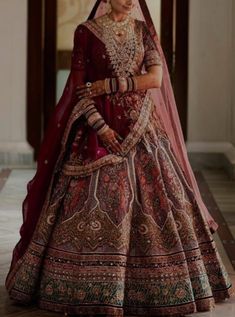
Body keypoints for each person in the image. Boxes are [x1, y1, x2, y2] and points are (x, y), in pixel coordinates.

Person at [5, 0, 233, 316]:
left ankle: (161, 288)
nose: (128, 0)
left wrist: (112, 85)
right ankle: (90, 288)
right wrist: (101, 127)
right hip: (97, 129)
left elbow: (155, 79)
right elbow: (79, 89)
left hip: (143, 125)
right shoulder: (86, 32)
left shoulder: (143, 31)